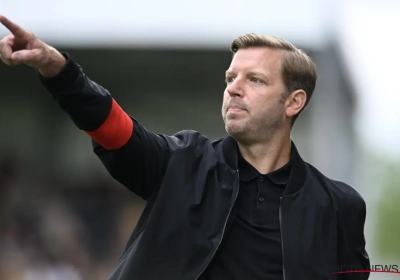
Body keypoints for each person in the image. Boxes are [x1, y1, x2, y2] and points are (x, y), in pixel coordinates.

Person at [0, 15, 370, 280]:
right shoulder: (184, 161)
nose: (234, 88)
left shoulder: (339, 207)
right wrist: (58, 69)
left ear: (294, 102)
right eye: (230, 78)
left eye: (254, 79)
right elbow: (114, 130)